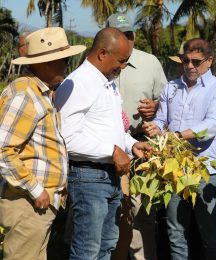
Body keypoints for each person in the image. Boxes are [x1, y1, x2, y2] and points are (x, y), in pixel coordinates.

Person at [54, 27, 151, 260]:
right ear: (102, 54)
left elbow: (112, 129)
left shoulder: (107, 83)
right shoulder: (78, 82)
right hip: (88, 178)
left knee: (106, 246)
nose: (123, 67)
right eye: (121, 61)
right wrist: (111, 151)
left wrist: (130, 145)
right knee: (87, 251)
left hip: (109, 177)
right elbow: (66, 137)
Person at [0, 27, 85, 260]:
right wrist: (35, 189)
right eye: (64, 59)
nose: (67, 64)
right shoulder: (25, 93)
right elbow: (3, 149)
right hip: (27, 203)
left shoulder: (40, 93)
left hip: (36, 203)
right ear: (45, 63)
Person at [143, 38, 216, 260]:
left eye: (196, 61)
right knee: (175, 231)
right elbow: (162, 118)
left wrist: (178, 136)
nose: (190, 66)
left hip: (205, 170)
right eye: (185, 61)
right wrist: (154, 127)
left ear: (209, 61)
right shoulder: (171, 87)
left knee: (209, 233)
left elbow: (211, 126)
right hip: (174, 170)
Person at [105, 13, 167, 260]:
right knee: (115, 213)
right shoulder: (96, 62)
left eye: (130, 35)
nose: (127, 41)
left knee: (142, 216)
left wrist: (155, 107)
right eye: (120, 35)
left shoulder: (150, 62)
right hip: (107, 150)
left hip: (141, 148)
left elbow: (167, 103)